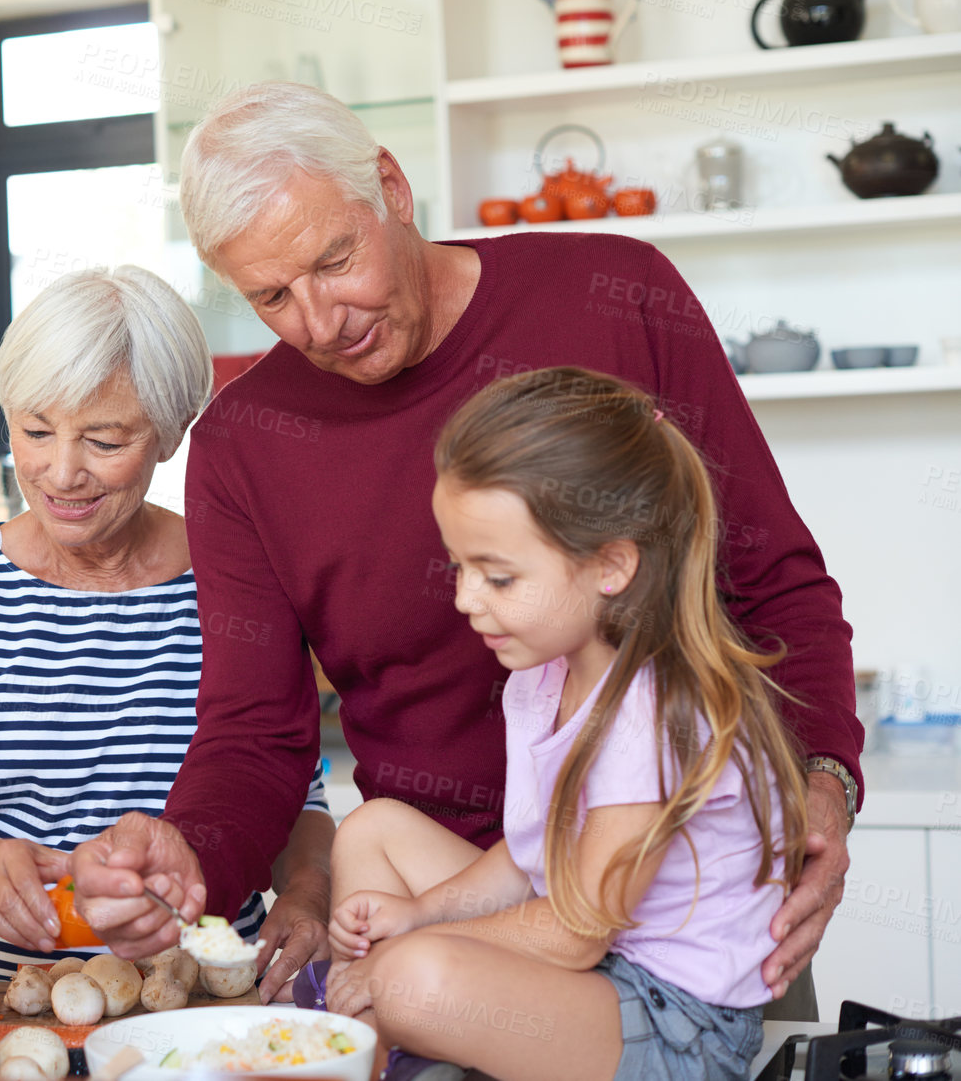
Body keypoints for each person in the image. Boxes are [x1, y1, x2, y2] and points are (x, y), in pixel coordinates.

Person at [69, 83, 859, 1020]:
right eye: (272, 296)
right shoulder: (246, 441)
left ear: (392, 191)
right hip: (448, 916)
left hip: (686, 909)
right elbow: (256, 732)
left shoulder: (617, 293)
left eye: (335, 260)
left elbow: (770, 582)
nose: (322, 322)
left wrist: (824, 780)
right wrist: (188, 850)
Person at [325, 368, 809, 1080]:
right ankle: (391, 1048)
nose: (464, 599)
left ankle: (396, 1032)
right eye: (457, 566)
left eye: (498, 577)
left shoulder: (653, 710)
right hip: (601, 962)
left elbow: (579, 932)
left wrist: (416, 942)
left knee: (409, 976)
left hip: (676, 1024)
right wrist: (421, 911)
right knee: (372, 829)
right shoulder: (540, 677)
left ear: (610, 564)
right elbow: (527, 858)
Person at [0, 267, 332, 999]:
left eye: (102, 438)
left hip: (203, 991)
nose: (62, 471)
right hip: (4, 1000)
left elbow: (295, 798)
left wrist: (307, 897)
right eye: (34, 430)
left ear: (173, 429)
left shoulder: (239, 587)